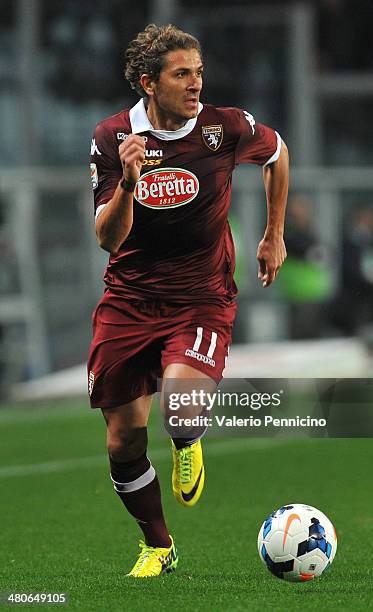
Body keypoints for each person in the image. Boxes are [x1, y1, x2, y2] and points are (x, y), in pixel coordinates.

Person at [87, 23, 289, 578]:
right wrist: (129, 181)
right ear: (149, 83)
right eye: (182, 74)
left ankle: (186, 437)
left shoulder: (225, 127)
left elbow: (278, 153)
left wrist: (274, 233)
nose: (196, 84)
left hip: (201, 297)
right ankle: (158, 545)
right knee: (123, 437)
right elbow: (108, 239)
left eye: (199, 72)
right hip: (129, 300)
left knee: (180, 403)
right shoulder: (112, 137)